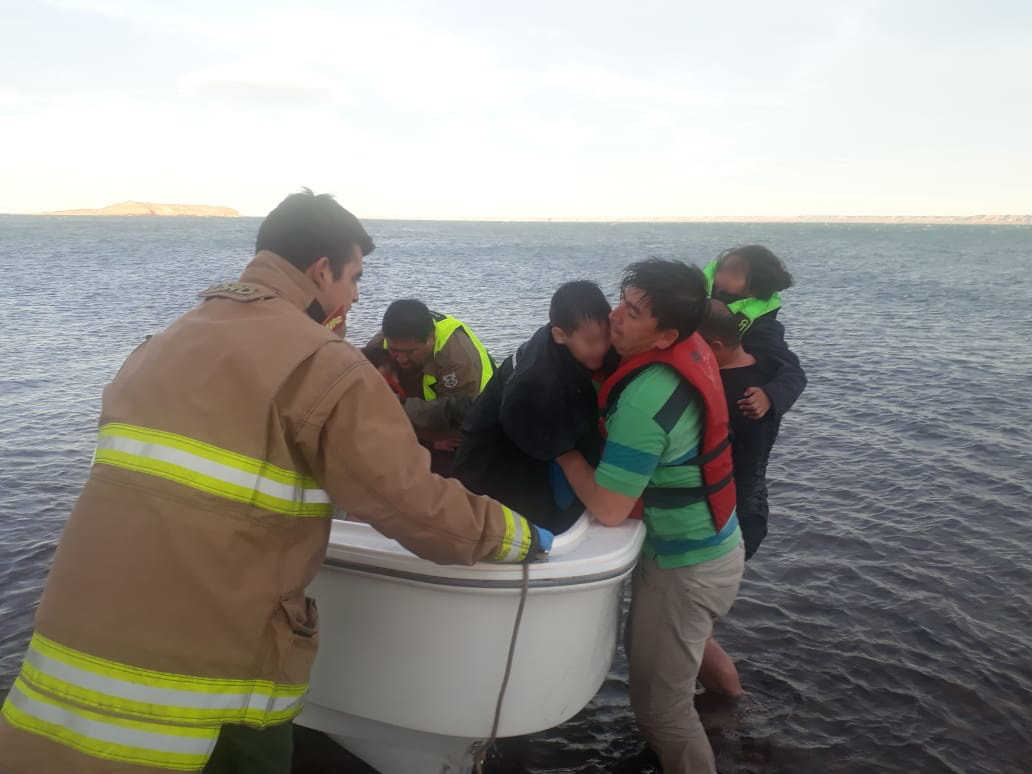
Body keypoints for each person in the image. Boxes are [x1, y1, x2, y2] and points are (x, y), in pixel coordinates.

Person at [0, 190, 551, 774]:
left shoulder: (158, 346)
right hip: (210, 694)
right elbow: (410, 504)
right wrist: (516, 535)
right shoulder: (326, 365)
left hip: (67, 662)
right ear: (322, 271)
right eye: (354, 279)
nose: (357, 297)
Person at [555, 259, 744, 774]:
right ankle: (734, 708)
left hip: (687, 568)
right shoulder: (692, 345)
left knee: (662, 711)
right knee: (685, 643)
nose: (613, 316)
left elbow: (610, 508)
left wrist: (561, 452)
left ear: (666, 337)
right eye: (623, 301)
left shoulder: (645, 400)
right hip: (718, 544)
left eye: (633, 313)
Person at [454, 280, 615, 534]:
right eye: (591, 341)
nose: (602, 348)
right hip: (494, 455)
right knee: (536, 525)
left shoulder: (567, 339)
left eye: (607, 337)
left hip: (527, 424)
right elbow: (555, 448)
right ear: (559, 335)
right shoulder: (536, 382)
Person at [695, 299, 785, 697]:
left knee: (695, 632)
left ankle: (731, 706)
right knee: (699, 627)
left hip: (731, 515)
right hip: (751, 508)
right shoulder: (764, 375)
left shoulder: (735, 393)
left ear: (714, 346)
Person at [704, 245, 806, 421]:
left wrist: (769, 397)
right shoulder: (699, 300)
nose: (722, 277)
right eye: (721, 270)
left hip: (736, 409)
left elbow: (793, 372)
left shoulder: (763, 327)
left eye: (734, 275)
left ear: (754, 290)